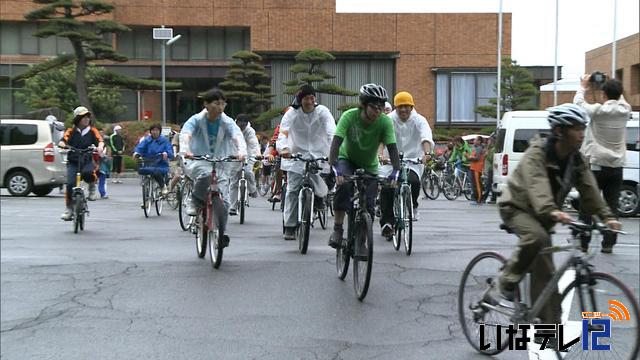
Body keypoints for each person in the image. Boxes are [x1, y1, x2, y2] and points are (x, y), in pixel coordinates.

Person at [490, 104, 620, 348]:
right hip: (517, 207)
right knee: (536, 237)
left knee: (546, 272)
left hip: (545, 214)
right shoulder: (537, 153)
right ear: (560, 131)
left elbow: (590, 190)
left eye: (583, 128)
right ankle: (505, 282)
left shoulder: (576, 159)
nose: (582, 134)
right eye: (576, 128)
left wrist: (606, 216)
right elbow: (537, 186)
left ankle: (545, 330)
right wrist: (552, 211)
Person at [328, 83, 400, 249]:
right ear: (364, 105)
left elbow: (392, 149)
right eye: (374, 107)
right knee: (344, 185)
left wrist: (396, 171)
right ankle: (338, 229)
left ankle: (361, 240)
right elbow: (336, 143)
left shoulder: (384, 122)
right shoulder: (349, 116)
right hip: (347, 159)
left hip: (370, 164)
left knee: (368, 204)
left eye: (381, 107)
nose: (378, 111)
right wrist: (335, 168)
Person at [179, 88, 246, 244]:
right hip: (200, 159)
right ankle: (195, 201)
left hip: (222, 161)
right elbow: (186, 134)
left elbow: (237, 136)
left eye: (223, 103)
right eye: (217, 103)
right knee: (205, 176)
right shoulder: (195, 120)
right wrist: (186, 149)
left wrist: (242, 152)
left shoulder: (227, 121)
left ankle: (220, 231)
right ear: (206, 104)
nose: (220, 107)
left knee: (225, 200)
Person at [574, 75, 631, 253]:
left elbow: (578, 105)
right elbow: (619, 97)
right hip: (616, 166)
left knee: (588, 204)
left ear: (604, 94)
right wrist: (610, 81)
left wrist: (583, 86)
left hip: (597, 164)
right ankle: (608, 243)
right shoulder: (625, 110)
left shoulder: (598, 111)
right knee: (612, 205)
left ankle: (584, 242)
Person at [276, 84, 336, 240]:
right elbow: (283, 133)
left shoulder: (322, 112)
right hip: (296, 155)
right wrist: (283, 149)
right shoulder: (291, 113)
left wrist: (333, 151)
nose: (309, 101)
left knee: (322, 188)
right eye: (306, 98)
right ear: (300, 99)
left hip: (319, 154)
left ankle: (319, 200)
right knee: (293, 190)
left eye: (312, 98)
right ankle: (289, 226)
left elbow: (332, 131)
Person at [378, 91, 433, 234]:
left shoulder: (419, 120)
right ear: (395, 107)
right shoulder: (388, 119)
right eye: (400, 106)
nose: (403, 110)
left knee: (414, 182)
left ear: (411, 106)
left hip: (412, 160)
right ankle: (387, 222)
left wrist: (427, 154)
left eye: (406, 106)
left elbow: (425, 136)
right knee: (387, 187)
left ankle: (413, 205)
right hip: (390, 161)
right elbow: (381, 139)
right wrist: (380, 155)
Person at [58, 106, 104, 220]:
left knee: (89, 173)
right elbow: (63, 140)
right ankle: (69, 209)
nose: (86, 119)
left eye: (88, 116)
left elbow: (100, 141)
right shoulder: (71, 131)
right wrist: (63, 145)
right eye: (83, 117)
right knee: (70, 184)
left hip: (87, 160)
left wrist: (100, 147)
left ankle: (92, 187)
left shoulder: (92, 131)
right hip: (73, 161)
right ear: (77, 119)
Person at [229, 114, 261, 216]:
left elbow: (254, 143)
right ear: (236, 122)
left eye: (244, 125)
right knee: (234, 182)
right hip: (234, 155)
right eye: (240, 125)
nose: (242, 127)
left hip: (248, 154)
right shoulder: (231, 128)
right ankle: (233, 207)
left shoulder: (250, 131)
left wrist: (258, 154)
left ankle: (252, 189)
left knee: (248, 172)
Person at [133, 124, 174, 197]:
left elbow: (170, 152)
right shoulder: (146, 140)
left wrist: (166, 153)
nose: (154, 132)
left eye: (156, 130)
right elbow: (140, 148)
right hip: (148, 162)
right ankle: (147, 197)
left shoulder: (164, 141)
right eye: (153, 130)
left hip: (161, 164)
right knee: (146, 172)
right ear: (150, 131)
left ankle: (163, 186)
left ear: (160, 131)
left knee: (156, 171)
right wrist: (136, 153)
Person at [468, 136, 485, 205]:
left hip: (477, 168)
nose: (474, 140)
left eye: (475, 139)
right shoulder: (474, 147)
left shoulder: (479, 148)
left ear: (479, 141)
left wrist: (470, 157)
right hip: (473, 167)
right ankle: (476, 198)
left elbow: (477, 158)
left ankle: (479, 199)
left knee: (477, 184)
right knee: (474, 184)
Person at [481, 136, 497, 204]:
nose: (487, 142)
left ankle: (484, 197)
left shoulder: (493, 149)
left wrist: (487, 154)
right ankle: (493, 197)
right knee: (491, 183)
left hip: (492, 168)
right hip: (490, 168)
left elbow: (491, 159)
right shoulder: (491, 149)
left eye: (489, 141)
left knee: (489, 183)